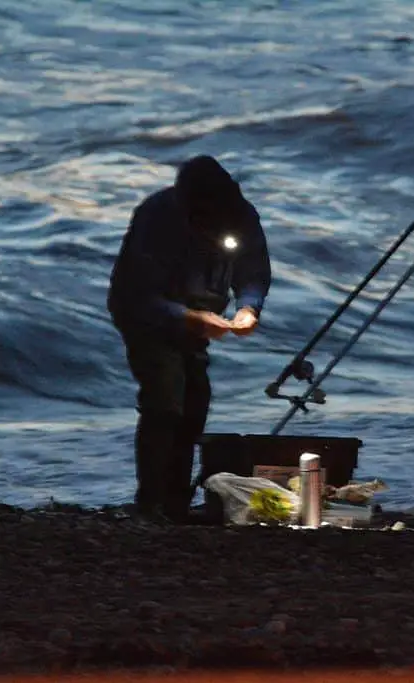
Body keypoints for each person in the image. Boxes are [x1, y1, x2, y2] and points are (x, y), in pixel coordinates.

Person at [107, 155, 272, 523]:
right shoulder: (157, 218)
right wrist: (187, 318)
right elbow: (138, 294)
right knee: (165, 398)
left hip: (200, 311)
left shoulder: (242, 215)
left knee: (196, 401)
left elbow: (254, 271)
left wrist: (248, 308)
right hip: (145, 315)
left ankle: (176, 500)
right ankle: (150, 502)